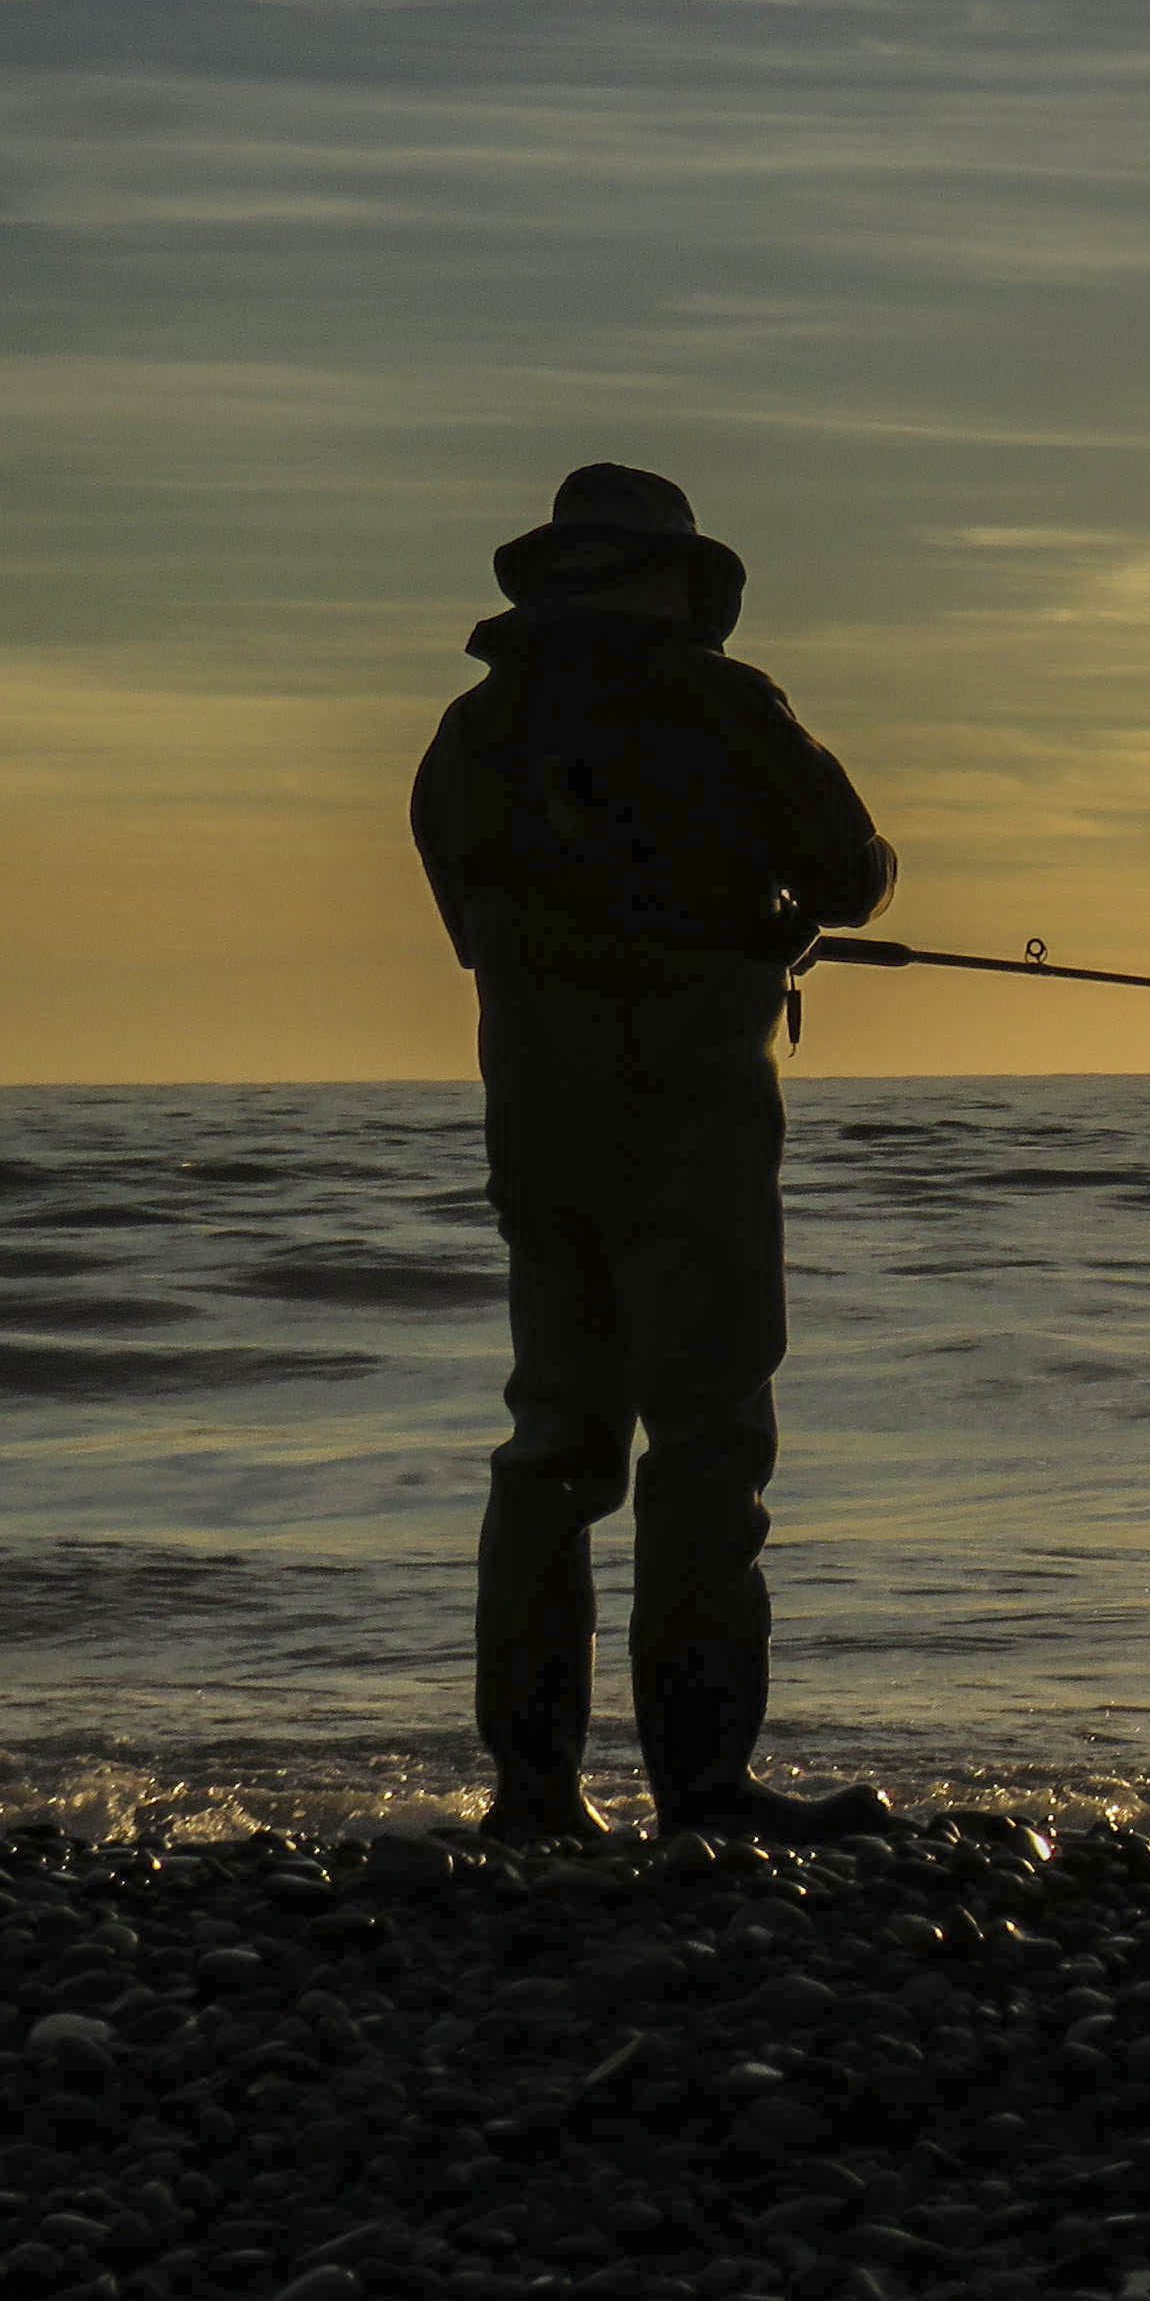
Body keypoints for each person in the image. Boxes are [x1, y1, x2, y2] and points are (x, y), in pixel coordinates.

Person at [411, 464, 899, 1844]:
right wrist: (783, 919)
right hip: (696, 1127)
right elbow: (853, 876)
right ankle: (702, 1788)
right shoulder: (726, 705)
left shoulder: (472, 731)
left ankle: (533, 1792)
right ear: (669, 580)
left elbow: (471, 929)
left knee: (554, 1444)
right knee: (707, 1446)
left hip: (538, 1126)